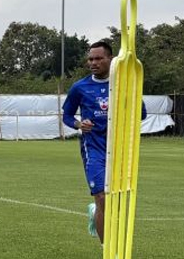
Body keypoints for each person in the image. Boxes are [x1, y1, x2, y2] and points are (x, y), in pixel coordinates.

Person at [61, 41, 145, 243]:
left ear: (110, 60)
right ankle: (108, 249)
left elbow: (140, 113)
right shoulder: (80, 87)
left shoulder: (123, 85)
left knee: (114, 198)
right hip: (93, 148)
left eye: (99, 58)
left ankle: (95, 213)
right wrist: (79, 124)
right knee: (101, 196)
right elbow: (67, 116)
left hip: (119, 147)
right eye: (90, 59)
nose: (93, 62)